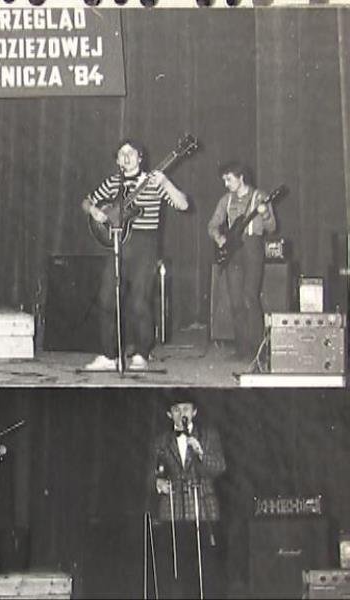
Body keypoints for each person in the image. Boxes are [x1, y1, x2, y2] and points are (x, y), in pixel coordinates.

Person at [81, 139, 189, 371]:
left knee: (140, 300)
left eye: (131, 153)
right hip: (117, 243)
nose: (126, 157)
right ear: (117, 160)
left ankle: (142, 353)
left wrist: (166, 182)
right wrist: (95, 211)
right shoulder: (113, 182)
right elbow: (87, 201)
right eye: (122, 154)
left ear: (140, 157)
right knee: (106, 298)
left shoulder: (154, 181)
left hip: (144, 244)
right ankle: (109, 356)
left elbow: (183, 205)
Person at [151, 398, 226, 599]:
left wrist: (201, 453)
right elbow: (149, 472)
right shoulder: (161, 441)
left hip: (202, 509)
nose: (181, 413)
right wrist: (157, 483)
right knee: (176, 568)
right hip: (173, 511)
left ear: (194, 412)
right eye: (176, 409)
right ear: (169, 414)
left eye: (186, 409)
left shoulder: (208, 435)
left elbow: (219, 467)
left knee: (206, 568)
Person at [207, 162, 277, 360]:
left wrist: (265, 214)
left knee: (249, 298)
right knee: (236, 301)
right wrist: (219, 238)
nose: (226, 184)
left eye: (229, 179)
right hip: (233, 251)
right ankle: (242, 349)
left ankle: (258, 350)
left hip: (253, 248)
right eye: (224, 180)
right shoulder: (226, 200)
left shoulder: (260, 196)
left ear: (241, 177)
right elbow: (212, 225)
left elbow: (272, 227)